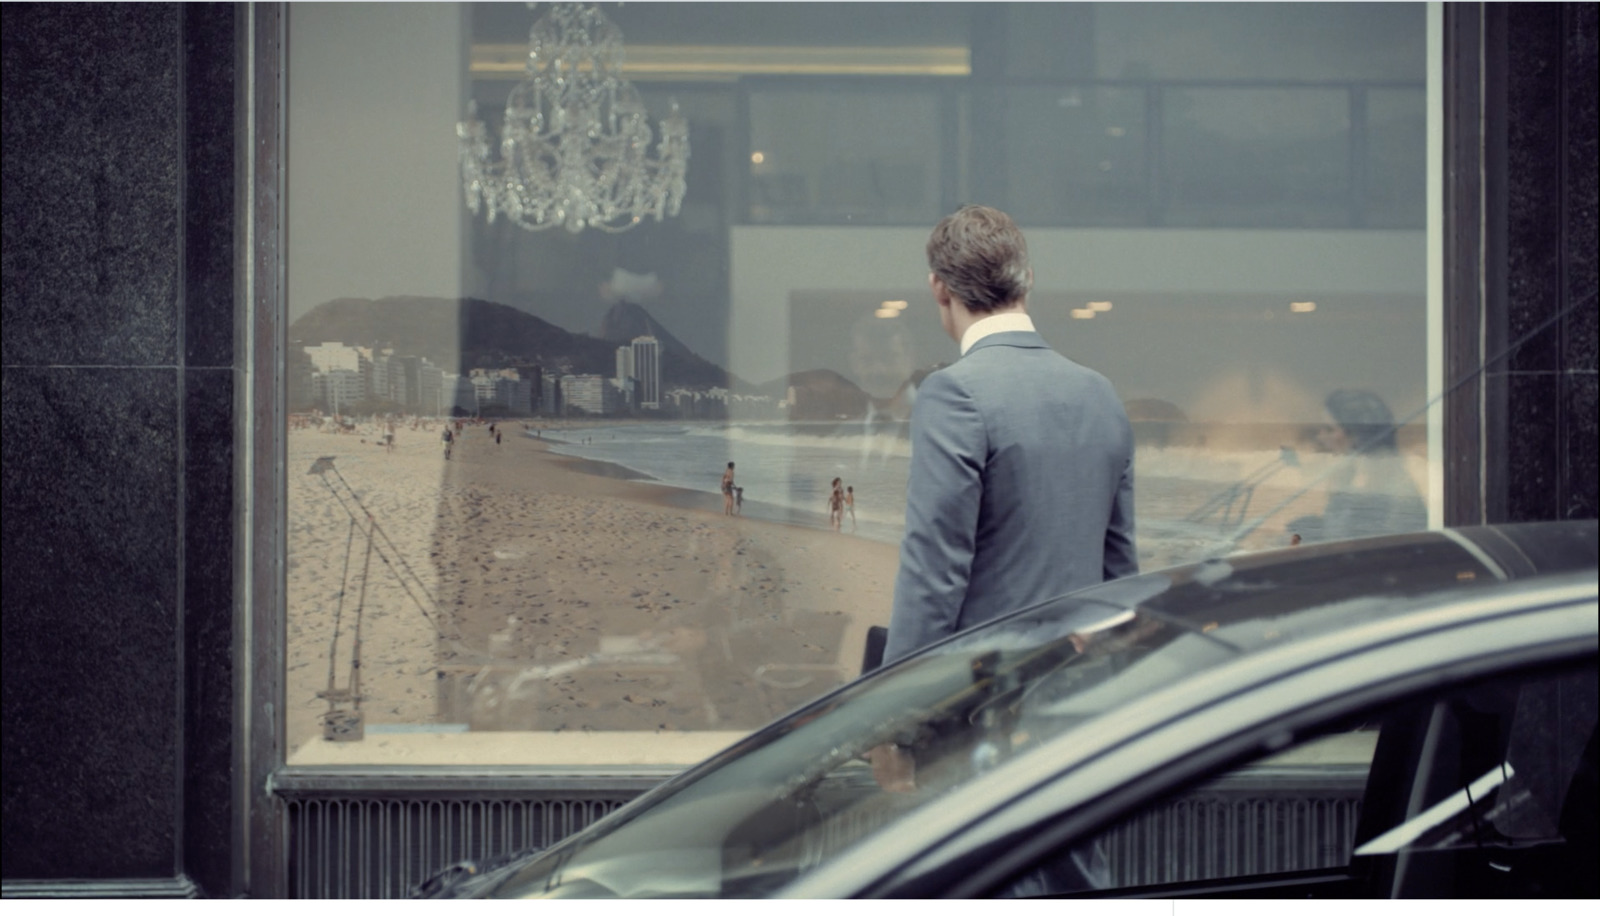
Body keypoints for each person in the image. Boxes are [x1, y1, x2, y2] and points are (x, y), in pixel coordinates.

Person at [883, 205, 1138, 665]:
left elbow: (934, 570)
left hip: (989, 696)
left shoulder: (953, 393)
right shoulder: (1099, 393)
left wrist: (889, 710)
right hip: (1079, 693)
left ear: (938, 286)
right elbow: (1120, 572)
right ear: (1028, 280)